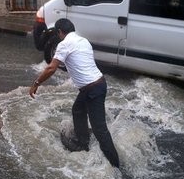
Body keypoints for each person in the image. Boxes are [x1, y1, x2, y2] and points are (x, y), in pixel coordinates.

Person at [29, 18, 120, 168]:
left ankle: (116, 167)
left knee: (100, 129)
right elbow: (78, 61)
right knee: (77, 109)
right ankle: (82, 142)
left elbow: (51, 68)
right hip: (97, 84)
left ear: (59, 32)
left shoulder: (64, 44)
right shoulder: (83, 41)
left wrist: (36, 83)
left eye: (57, 34)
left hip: (92, 89)